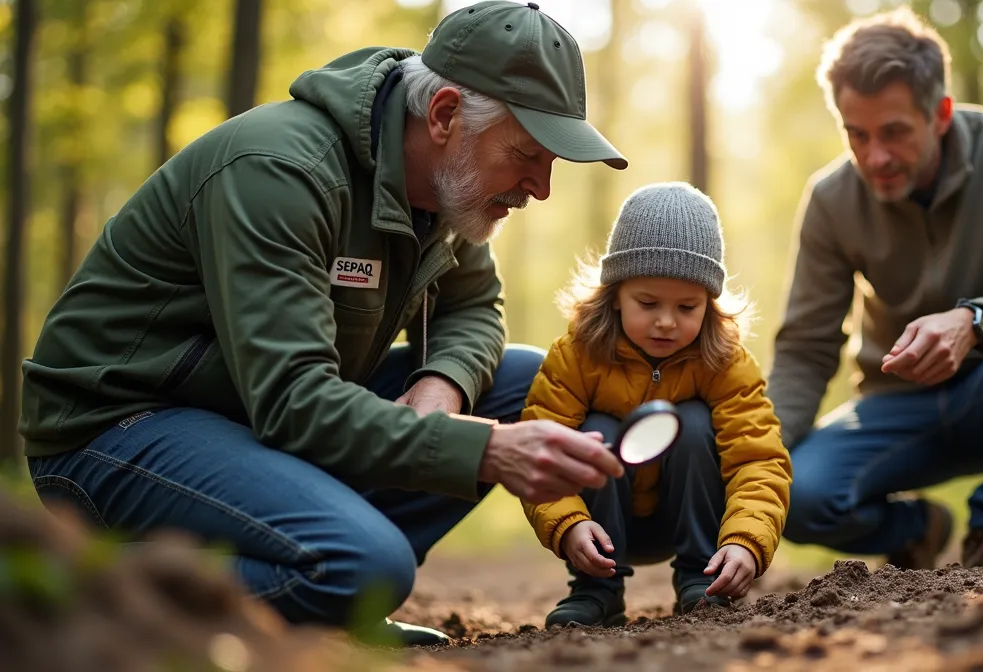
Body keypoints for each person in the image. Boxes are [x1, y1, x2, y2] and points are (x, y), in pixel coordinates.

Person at [19, 1, 629, 646]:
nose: (541, 187)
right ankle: (92, 582)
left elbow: (474, 308)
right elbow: (291, 400)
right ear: (446, 114)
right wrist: (484, 449)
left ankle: (332, 581)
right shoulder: (281, 172)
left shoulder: (449, 187)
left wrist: (440, 388)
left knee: (523, 381)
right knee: (364, 565)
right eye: (528, 153)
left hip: (249, 419)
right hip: (117, 431)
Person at [768, 8, 983, 571]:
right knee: (793, 495)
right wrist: (760, 456)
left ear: (940, 114)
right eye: (856, 135)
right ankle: (920, 529)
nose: (875, 157)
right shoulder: (831, 200)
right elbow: (806, 346)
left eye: (894, 132)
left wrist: (974, 321)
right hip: (892, 408)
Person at [519, 182, 792, 627]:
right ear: (616, 294)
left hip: (686, 518)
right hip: (601, 523)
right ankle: (597, 590)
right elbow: (543, 447)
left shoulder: (724, 361)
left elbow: (758, 459)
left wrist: (747, 539)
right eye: (647, 303)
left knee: (694, 420)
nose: (666, 322)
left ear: (710, 304)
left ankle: (700, 580)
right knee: (598, 428)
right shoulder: (577, 354)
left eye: (688, 306)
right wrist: (567, 524)